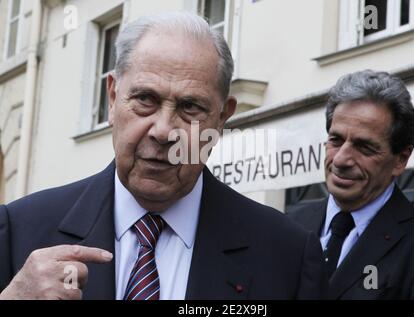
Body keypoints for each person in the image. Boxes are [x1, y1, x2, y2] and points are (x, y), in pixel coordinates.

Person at [0, 12, 326, 300]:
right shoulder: (19, 232)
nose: (163, 130)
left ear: (222, 119)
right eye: (145, 99)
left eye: (190, 108)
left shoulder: (288, 255)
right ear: (112, 98)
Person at [289, 70, 414, 299]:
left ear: (400, 159)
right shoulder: (289, 226)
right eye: (336, 140)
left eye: (364, 147)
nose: (341, 159)